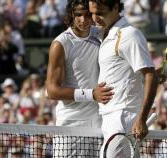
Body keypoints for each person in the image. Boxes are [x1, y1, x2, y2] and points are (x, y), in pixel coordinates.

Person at [89, 0, 159, 157]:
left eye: (100, 13)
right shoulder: (103, 34)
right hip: (109, 118)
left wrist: (141, 118)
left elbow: (150, 75)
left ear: (115, 8)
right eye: (92, 13)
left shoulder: (129, 35)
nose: (95, 18)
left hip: (123, 118)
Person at [45, 0, 113, 156]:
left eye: (88, 15)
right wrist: (92, 94)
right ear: (71, 15)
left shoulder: (101, 35)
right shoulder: (60, 44)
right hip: (70, 123)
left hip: (98, 122)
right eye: (79, 15)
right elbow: (52, 91)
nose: (84, 20)